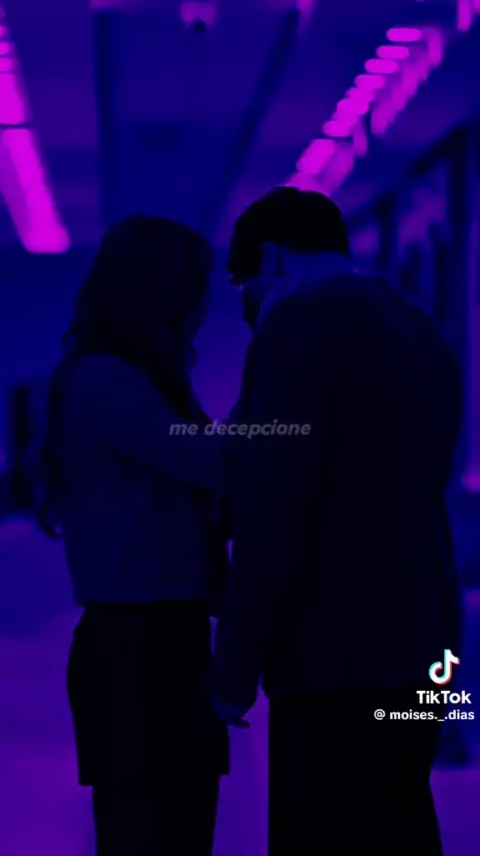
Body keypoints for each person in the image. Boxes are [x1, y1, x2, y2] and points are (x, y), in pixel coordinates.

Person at [212, 188, 463, 855]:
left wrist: (232, 673)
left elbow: (272, 511)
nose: (248, 306)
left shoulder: (295, 328)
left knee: (323, 834)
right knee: (402, 820)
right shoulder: (421, 326)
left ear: (271, 257)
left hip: (335, 654)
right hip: (427, 643)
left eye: (245, 285)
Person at [31, 216, 229, 856]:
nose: (204, 309)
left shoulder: (129, 378)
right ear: (158, 294)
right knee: (152, 834)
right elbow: (210, 461)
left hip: (156, 637)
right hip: (138, 645)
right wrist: (286, 421)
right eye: (194, 291)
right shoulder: (110, 380)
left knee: (167, 830)